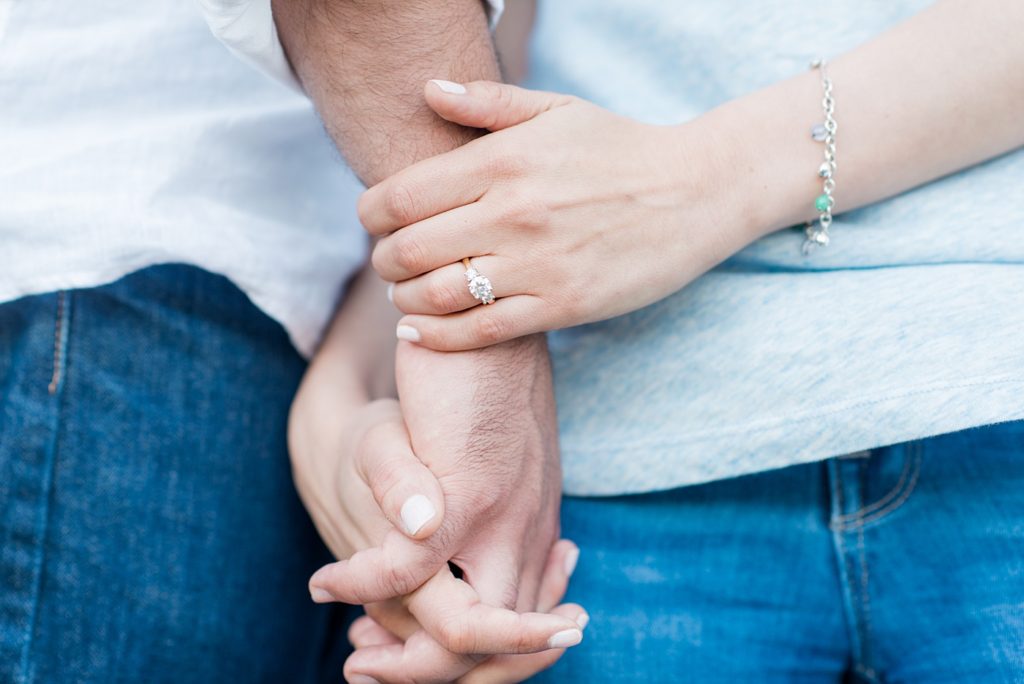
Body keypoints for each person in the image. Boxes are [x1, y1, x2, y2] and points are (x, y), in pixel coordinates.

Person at [331, 0, 1024, 680]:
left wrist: (708, 176)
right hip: (601, 476)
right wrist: (343, 390)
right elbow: (468, 88)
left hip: (992, 402)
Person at [0, 0, 582, 680]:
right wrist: (488, 352)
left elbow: (496, 39)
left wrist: (360, 372)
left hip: (256, 307)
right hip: (112, 265)